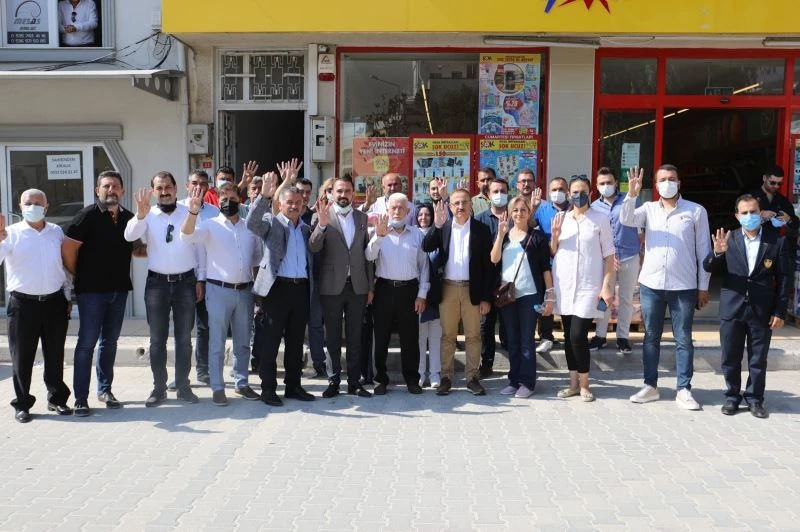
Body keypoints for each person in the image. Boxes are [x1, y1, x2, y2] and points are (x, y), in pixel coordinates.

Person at [622, 165, 711, 410]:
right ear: (656, 184)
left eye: (672, 179)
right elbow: (626, 219)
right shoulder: (648, 209)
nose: (667, 183)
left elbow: (704, 250)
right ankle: (650, 386)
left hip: (684, 286)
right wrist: (632, 194)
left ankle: (684, 389)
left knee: (683, 338)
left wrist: (703, 286)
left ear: (679, 183)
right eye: (662, 179)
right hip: (652, 285)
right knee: (651, 337)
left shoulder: (696, 211)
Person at [703, 195, 790, 419]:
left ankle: (754, 399)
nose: (749, 216)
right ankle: (732, 396)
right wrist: (717, 253)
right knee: (730, 356)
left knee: (758, 358)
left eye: (753, 212)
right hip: (732, 307)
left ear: (761, 214)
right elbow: (708, 266)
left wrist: (780, 311)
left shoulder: (776, 241)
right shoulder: (729, 239)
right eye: (744, 212)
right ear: (737, 216)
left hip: (762, 309)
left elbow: (784, 278)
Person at [62, 171, 138, 416]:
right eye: (106, 186)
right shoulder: (87, 215)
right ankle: (81, 399)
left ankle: (105, 390)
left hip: (119, 291)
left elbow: (138, 249)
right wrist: (80, 274)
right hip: (91, 293)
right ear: (98, 190)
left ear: (122, 191)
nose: (111, 190)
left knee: (110, 343)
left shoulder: (129, 217)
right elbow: (68, 250)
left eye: (115, 186)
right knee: (86, 344)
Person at [182, 181, 262, 406]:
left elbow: (256, 260)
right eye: (224, 199)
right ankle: (217, 387)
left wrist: (258, 291)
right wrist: (192, 212)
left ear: (239, 199)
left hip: (245, 291)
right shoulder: (209, 225)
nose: (228, 202)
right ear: (218, 201)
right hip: (218, 290)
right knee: (217, 342)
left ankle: (241, 383)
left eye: (232, 198)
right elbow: (187, 236)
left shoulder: (249, 228)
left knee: (243, 342)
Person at [124, 171, 199, 407]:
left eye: (168, 187)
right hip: (157, 284)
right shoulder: (147, 213)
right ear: (153, 191)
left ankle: (183, 386)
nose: (164, 192)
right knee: (157, 339)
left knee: (184, 339)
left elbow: (197, 243)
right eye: (159, 188)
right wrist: (140, 214)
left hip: (185, 282)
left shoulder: (189, 211)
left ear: (176, 189)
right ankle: (159, 388)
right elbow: (129, 235)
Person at [0, 189, 73, 423]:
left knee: (55, 354)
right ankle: (22, 404)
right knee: (22, 356)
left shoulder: (56, 232)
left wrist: (68, 295)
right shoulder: (10, 233)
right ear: (20, 207)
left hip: (54, 302)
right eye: (28, 203)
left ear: (47, 206)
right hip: (23, 304)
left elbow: (63, 266)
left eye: (38, 203)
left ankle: (57, 399)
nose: (33, 206)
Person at [423, 188, 494, 396]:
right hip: (448, 289)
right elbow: (426, 246)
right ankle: (446, 378)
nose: (460, 207)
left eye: (464, 203)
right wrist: (436, 225)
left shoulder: (481, 230)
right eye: (456, 203)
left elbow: (488, 267)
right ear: (450, 206)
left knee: (473, 336)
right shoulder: (443, 227)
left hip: (473, 290)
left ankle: (472, 378)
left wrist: (486, 298)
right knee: (448, 336)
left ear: (471, 206)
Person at [550, 177, 615, 402]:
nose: (579, 195)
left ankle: (585, 384)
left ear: (590, 193)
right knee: (568, 336)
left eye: (583, 191)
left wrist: (606, 286)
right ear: (569, 194)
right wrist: (554, 238)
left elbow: (609, 256)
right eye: (575, 192)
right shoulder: (561, 218)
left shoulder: (600, 219)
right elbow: (553, 251)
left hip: (589, 287)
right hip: (565, 286)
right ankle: (573, 384)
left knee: (578, 335)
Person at [309, 176, 374, 398]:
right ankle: (333, 381)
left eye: (347, 191)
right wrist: (322, 225)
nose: (343, 195)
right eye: (339, 191)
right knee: (333, 337)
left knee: (355, 337)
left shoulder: (362, 217)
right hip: (331, 287)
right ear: (332, 193)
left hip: (357, 286)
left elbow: (367, 256)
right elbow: (314, 247)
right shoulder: (321, 215)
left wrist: (370, 286)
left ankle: (354, 382)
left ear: (353, 193)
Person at [490, 196, 553, 398]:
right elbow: (494, 259)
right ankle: (513, 380)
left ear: (529, 212)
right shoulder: (504, 234)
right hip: (507, 296)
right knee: (512, 340)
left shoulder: (537, 237)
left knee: (526, 340)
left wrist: (550, 295)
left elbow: (545, 268)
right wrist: (500, 235)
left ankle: (527, 382)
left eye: (523, 209)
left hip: (530, 295)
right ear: (510, 213)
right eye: (515, 210)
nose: (519, 213)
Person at [366, 193, 429, 395]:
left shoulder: (417, 235)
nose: (397, 211)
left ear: (408, 211)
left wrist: (422, 294)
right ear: (387, 210)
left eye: (401, 208)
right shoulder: (378, 231)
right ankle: (380, 380)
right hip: (384, 289)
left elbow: (424, 266)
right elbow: (369, 255)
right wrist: (379, 236)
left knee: (410, 338)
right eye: (393, 207)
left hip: (409, 290)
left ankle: (412, 379)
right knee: (381, 337)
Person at [173, 170, 220, 389]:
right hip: (180, 277)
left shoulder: (214, 212)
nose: (198, 187)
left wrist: (201, 280)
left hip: (208, 277)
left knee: (205, 327)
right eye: (194, 183)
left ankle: (203, 371)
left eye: (203, 183)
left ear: (208, 187)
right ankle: (180, 376)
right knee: (182, 329)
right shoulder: (176, 209)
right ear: (186, 185)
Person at [588, 167, 641, 355]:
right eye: (602, 183)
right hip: (606, 260)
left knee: (626, 299)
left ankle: (623, 337)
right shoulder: (593, 207)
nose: (606, 186)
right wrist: (608, 257)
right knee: (604, 297)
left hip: (629, 255)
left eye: (609, 182)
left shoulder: (631, 199)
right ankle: (600, 335)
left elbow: (640, 229)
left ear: (616, 183)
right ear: (596, 186)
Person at [476, 178, 511, 377]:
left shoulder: (515, 217)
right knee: (486, 324)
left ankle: (514, 363)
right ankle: (486, 363)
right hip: (486, 279)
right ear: (488, 195)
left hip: (510, 280)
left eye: (503, 191)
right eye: (495, 191)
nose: (499, 194)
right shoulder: (480, 219)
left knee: (509, 324)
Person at [533, 176, 570, 354]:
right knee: (546, 298)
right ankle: (546, 336)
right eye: (554, 189)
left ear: (567, 192)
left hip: (570, 262)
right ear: (548, 192)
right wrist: (533, 207)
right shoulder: (542, 209)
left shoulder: (575, 209)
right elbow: (530, 224)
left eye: (561, 189)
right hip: (547, 262)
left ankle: (570, 335)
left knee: (568, 299)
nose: (557, 192)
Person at [416, 204, 442, 389]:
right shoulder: (413, 235)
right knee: (419, 338)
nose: (423, 217)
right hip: (418, 294)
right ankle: (419, 373)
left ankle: (435, 374)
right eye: (420, 214)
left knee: (435, 337)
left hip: (437, 295)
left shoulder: (439, 235)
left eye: (427, 214)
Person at [750, 165, 800, 240]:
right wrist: (759, 216)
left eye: (779, 183)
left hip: (774, 243)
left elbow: (796, 224)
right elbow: (740, 220)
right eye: (772, 183)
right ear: (764, 178)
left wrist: (788, 219)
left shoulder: (782, 200)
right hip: (753, 241)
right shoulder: (750, 197)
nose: (776, 186)